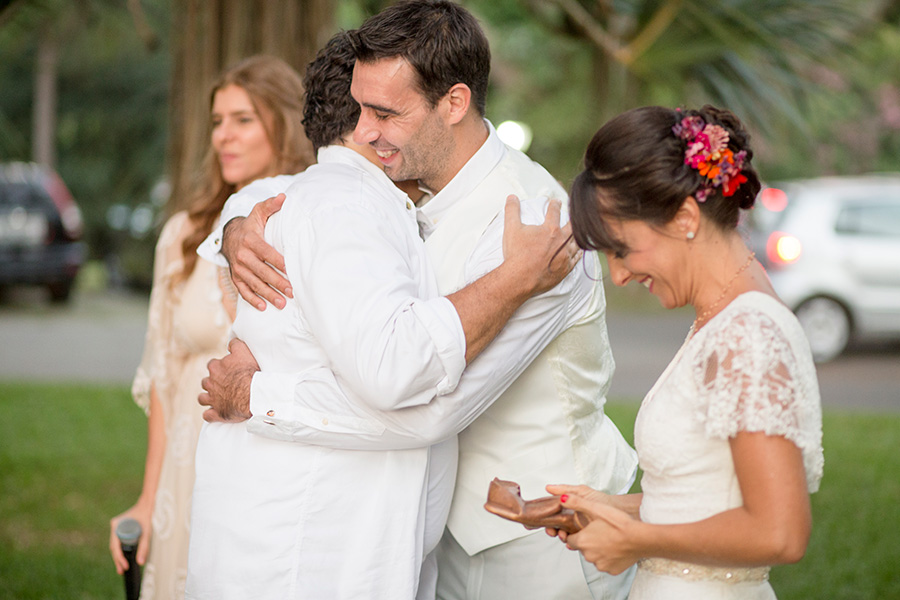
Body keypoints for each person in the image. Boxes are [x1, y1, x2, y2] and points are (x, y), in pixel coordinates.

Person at [204, 2, 638, 599]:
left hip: (540, 541)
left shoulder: (538, 231)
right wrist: (233, 232)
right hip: (432, 540)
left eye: (385, 112)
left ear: (453, 103)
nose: (364, 131)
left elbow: (425, 411)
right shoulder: (395, 186)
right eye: (359, 108)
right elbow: (295, 188)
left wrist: (258, 395)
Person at [546, 105, 824, 600]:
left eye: (622, 249)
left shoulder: (748, 334)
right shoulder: (722, 317)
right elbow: (707, 495)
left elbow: (780, 532)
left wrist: (636, 541)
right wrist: (611, 509)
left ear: (684, 217)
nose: (619, 276)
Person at [107, 55, 314, 599]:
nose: (224, 135)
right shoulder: (180, 235)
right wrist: (149, 500)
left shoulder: (303, 228)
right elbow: (162, 376)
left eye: (243, 119)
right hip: (185, 465)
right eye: (218, 120)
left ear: (284, 123)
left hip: (260, 459)